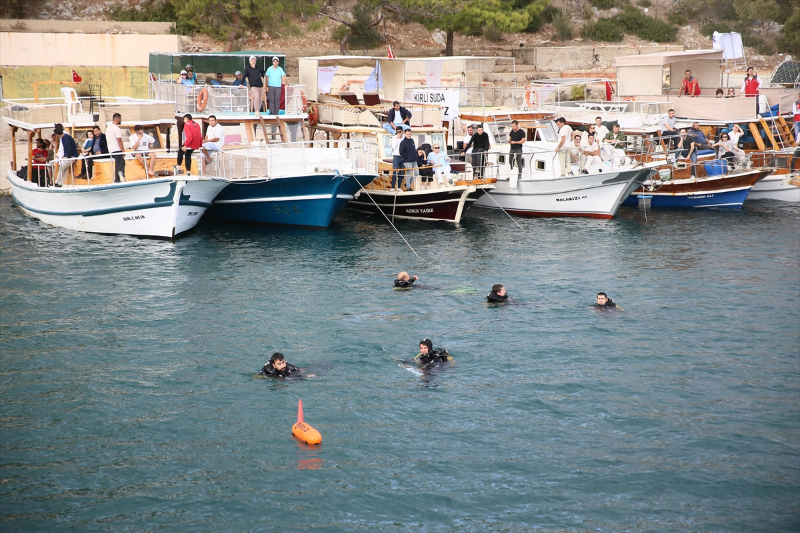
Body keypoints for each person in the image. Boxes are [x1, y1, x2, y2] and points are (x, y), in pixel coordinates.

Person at [105, 113, 125, 182]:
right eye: (120, 119)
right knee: (120, 165)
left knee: (119, 163)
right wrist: (122, 150)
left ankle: (118, 178)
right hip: (117, 149)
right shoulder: (116, 128)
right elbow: (119, 140)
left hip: (111, 149)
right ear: (118, 119)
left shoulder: (108, 127)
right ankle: (118, 179)